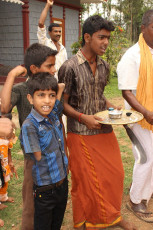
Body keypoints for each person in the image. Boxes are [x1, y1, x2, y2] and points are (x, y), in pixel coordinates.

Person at [58, 15, 136, 230]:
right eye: (101, 37)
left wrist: (113, 108)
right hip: (80, 131)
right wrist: (83, 118)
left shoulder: (104, 66)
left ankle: (113, 216)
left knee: (116, 174)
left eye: (108, 38)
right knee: (85, 182)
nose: (105, 43)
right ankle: (84, 221)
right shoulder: (69, 67)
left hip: (104, 128)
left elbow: (99, 96)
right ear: (87, 37)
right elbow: (61, 105)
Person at [0, 43, 57, 230]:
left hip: (53, 156)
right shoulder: (23, 89)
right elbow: (5, 106)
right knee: (31, 202)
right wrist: (11, 76)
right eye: (49, 66)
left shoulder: (51, 89)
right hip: (33, 158)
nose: (54, 69)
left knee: (50, 199)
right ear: (34, 69)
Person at [117, 9, 153, 223]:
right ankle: (135, 199)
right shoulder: (133, 56)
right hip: (137, 117)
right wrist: (146, 112)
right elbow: (126, 92)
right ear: (143, 28)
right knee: (146, 157)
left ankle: (145, 191)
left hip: (151, 116)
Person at [20, 72, 68, 230]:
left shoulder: (53, 115)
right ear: (30, 98)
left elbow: (58, 104)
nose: (47, 101)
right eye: (41, 95)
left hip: (62, 183)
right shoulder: (30, 126)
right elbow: (37, 156)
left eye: (51, 95)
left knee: (56, 223)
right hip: (45, 191)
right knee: (43, 226)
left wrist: (59, 89)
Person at [37, 0, 67, 81]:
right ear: (49, 33)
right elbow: (40, 23)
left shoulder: (63, 48)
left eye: (60, 31)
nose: (58, 33)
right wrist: (48, 5)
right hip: (46, 82)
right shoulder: (45, 43)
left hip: (60, 83)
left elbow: (65, 67)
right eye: (55, 31)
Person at [0, 117, 15, 227]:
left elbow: (9, 149)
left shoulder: (6, 139)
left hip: (4, 167)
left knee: (5, 182)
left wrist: (10, 162)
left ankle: (3, 198)